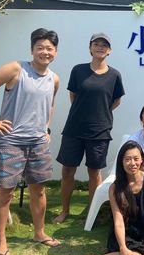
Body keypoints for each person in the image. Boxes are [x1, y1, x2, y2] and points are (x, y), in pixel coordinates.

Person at [0, 28, 61, 255]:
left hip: (37, 143)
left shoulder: (54, 79)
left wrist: (46, 128)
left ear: (55, 51)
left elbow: (49, 104)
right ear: (32, 49)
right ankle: (1, 240)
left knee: (39, 189)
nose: (45, 52)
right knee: (5, 192)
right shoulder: (16, 69)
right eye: (40, 47)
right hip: (9, 142)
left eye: (50, 48)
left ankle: (39, 233)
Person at [54, 33, 125, 223]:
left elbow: (116, 100)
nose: (100, 47)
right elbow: (73, 96)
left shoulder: (114, 75)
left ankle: (91, 214)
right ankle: (65, 210)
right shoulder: (78, 70)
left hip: (100, 131)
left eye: (104, 45)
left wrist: (101, 112)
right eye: (96, 44)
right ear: (90, 47)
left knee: (94, 172)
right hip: (74, 129)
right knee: (67, 170)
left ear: (109, 50)